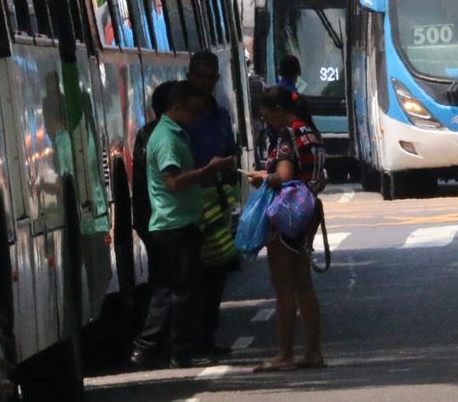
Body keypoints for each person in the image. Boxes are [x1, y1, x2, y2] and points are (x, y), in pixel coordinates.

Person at [130, 82, 234, 369]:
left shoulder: (174, 133)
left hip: (175, 223)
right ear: (175, 108)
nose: (196, 118)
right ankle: (172, 350)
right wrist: (208, 171)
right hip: (174, 225)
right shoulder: (167, 139)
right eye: (192, 112)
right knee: (180, 292)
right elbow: (174, 181)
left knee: (170, 290)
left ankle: (154, 348)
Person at [247, 86, 328, 372]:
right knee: (303, 284)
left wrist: (261, 176)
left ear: (279, 110)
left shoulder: (286, 135)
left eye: (266, 114)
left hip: (286, 214)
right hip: (308, 210)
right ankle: (313, 351)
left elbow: (282, 176)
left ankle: (284, 354)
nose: (265, 119)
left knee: (284, 287)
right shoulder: (310, 132)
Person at [185, 51, 239, 360]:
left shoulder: (220, 115)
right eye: (200, 77)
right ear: (190, 76)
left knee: (216, 275)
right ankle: (191, 340)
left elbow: (230, 152)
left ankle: (208, 336)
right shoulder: (184, 116)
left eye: (210, 78)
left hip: (219, 203)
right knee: (193, 277)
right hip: (192, 204)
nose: (205, 83)